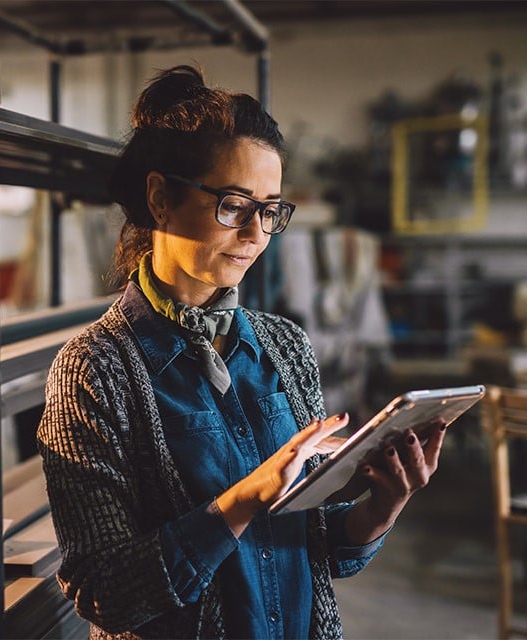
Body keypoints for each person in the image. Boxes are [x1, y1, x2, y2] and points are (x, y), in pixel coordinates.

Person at [37, 64, 446, 640]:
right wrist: (244, 500)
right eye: (233, 204)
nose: (256, 233)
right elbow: (103, 592)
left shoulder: (284, 345)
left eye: (271, 209)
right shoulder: (92, 370)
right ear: (160, 199)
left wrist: (384, 504)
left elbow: (313, 548)